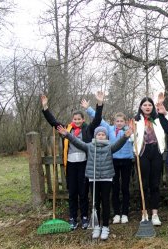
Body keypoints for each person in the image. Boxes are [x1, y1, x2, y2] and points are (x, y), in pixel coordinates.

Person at [41, 91, 104, 230]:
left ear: (83, 120)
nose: (76, 121)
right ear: (72, 120)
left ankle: (85, 217)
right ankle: (72, 218)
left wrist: (99, 104)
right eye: (74, 119)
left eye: (79, 119)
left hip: (84, 164)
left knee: (83, 192)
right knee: (72, 192)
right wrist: (45, 108)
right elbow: (53, 122)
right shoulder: (66, 129)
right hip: (70, 165)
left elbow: (98, 119)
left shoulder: (88, 129)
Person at [57, 125, 132, 240]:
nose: (101, 136)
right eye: (98, 134)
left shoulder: (110, 147)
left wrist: (125, 137)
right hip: (94, 178)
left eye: (103, 134)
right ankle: (96, 226)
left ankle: (106, 226)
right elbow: (77, 142)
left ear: (106, 136)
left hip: (106, 178)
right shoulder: (90, 146)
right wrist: (67, 134)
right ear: (95, 135)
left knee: (106, 202)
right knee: (95, 203)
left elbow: (119, 144)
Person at [82, 101, 134, 225]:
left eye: (122, 121)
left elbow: (134, 138)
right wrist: (88, 108)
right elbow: (98, 119)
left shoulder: (129, 130)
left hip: (127, 161)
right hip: (113, 161)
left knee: (125, 187)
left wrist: (132, 132)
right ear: (114, 122)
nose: (119, 123)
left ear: (125, 122)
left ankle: (125, 213)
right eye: (117, 121)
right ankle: (116, 213)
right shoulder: (109, 129)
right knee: (115, 188)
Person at [133, 95, 168, 225]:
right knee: (144, 184)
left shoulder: (158, 119)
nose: (147, 107)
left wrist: (165, 112)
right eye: (145, 105)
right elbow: (131, 137)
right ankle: (144, 213)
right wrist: (131, 134)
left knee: (155, 184)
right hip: (142, 153)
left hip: (156, 152)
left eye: (150, 105)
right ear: (141, 107)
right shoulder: (136, 120)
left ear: (153, 107)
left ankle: (155, 214)